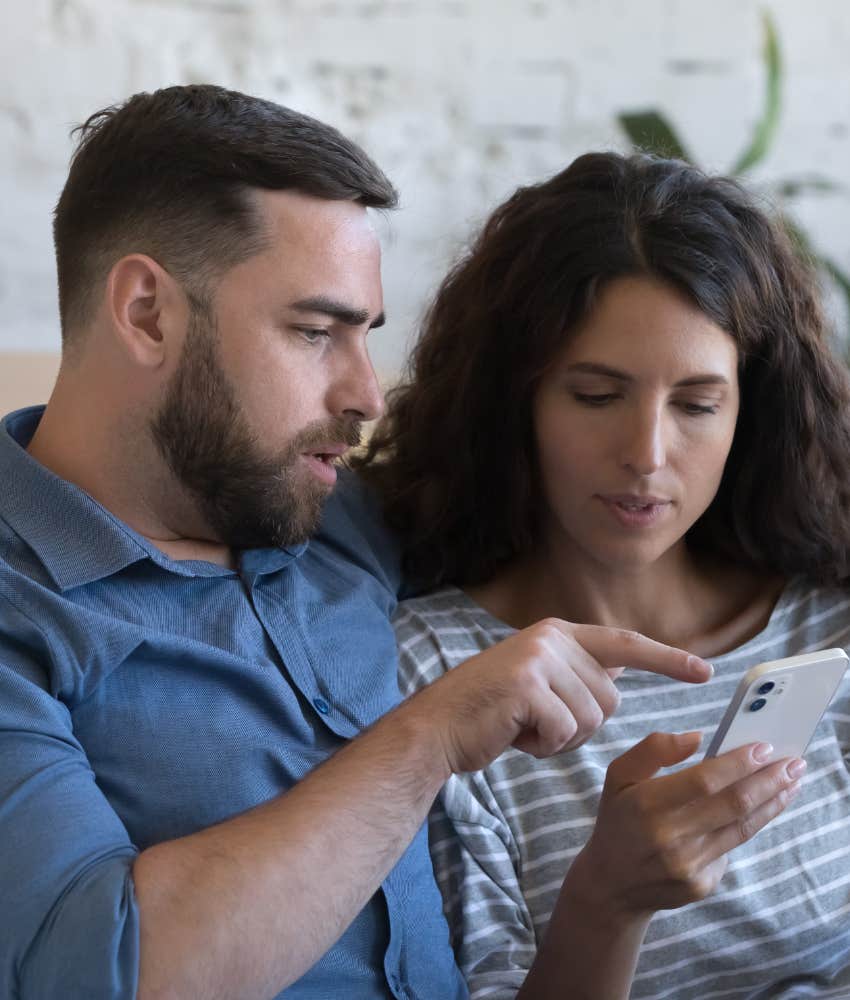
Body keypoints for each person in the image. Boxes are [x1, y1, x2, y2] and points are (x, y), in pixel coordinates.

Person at [0, 86, 740, 1000]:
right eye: (315, 333)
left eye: (366, 337)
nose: (366, 396)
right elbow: (95, 976)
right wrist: (426, 739)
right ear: (148, 311)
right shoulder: (19, 608)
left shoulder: (328, 508)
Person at [360, 151, 850, 999]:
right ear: (516, 400)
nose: (647, 456)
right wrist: (607, 900)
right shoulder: (436, 678)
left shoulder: (829, 624)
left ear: (751, 411)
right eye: (595, 395)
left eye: (697, 405)